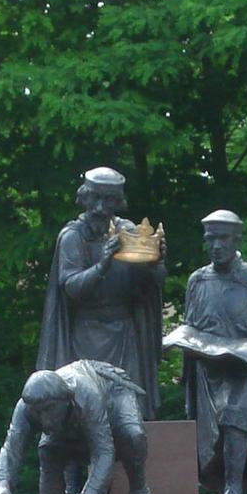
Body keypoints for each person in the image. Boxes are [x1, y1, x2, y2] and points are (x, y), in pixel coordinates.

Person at [170, 209, 247, 494]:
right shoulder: (198, 280)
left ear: (237, 240)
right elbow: (191, 325)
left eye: (223, 239)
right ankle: (218, 484)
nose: (216, 246)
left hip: (246, 372)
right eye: (210, 239)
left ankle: (234, 488)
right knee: (207, 430)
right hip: (208, 373)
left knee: (235, 413)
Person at [0, 360, 159, 494]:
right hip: (78, 416)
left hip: (113, 390)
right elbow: (11, 447)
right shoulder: (26, 407)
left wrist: (91, 492)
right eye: (38, 412)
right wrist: (3, 484)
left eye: (49, 409)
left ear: (66, 401)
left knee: (133, 436)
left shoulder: (86, 395)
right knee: (48, 452)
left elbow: (104, 450)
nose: (44, 419)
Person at [38, 166, 167, 420]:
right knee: (87, 410)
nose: (100, 207)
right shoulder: (73, 237)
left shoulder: (128, 232)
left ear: (118, 201)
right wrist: (103, 265)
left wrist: (155, 262)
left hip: (124, 334)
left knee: (130, 409)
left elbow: (153, 284)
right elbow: (72, 287)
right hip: (85, 336)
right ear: (84, 197)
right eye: (95, 198)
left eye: (108, 200)